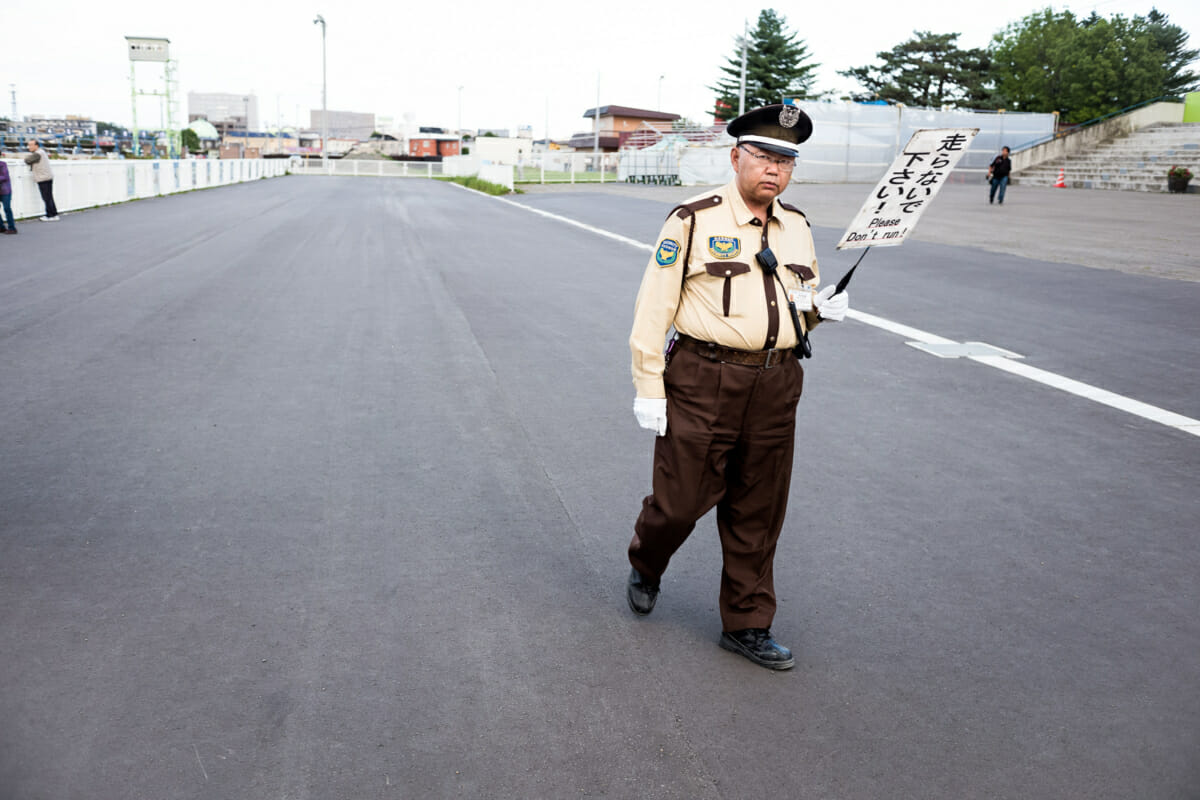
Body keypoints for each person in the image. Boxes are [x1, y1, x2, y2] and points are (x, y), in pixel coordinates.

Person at [626, 104, 849, 670]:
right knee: (678, 505)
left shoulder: (797, 226)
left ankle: (747, 622)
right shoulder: (693, 219)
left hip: (776, 381)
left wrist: (820, 310)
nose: (774, 170)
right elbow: (655, 307)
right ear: (736, 158)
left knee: (760, 507)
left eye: (785, 161)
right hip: (703, 377)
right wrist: (649, 385)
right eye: (763, 156)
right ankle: (647, 561)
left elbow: (799, 306)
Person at [23, 139, 59, 221]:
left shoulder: (38, 154)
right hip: (47, 177)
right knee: (49, 197)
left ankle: (50, 215)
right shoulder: (41, 152)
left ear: (36, 145)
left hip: (43, 178)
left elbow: (27, 160)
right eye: (28, 145)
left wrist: (26, 158)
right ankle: (54, 214)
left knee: (46, 197)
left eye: (31, 145)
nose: (29, 147)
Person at [0, 158, 16, 234]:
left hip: (5, 190)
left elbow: (4, 176)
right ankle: (1, 227)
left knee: (7, 208)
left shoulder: (3, 164)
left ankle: (12, 228)